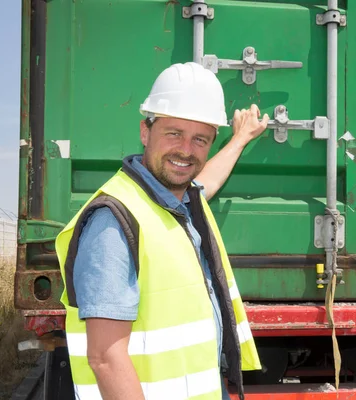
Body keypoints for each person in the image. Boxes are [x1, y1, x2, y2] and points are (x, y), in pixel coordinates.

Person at [55, 62, 270, 400]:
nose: (186, 150)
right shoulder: (114, 220)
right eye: (174, 134)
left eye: (200, 139)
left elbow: (205, 180)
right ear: (145, 132)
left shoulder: (180, 201)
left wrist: (241, 138)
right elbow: (105, 358)